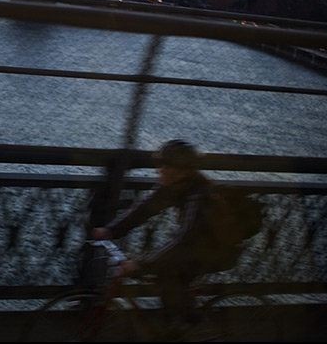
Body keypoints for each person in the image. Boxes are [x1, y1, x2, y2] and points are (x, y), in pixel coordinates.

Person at [91, 139, 242, 328]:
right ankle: (175, 323)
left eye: (166, 165)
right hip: (198, 246)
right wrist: (110, 230)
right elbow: (144, 209)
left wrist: (139, 264)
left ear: (183, 171)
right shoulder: (175, 185)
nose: (159, 169)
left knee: (168, 273)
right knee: (167, 276)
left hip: (217, 251)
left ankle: (189, 322)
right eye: (159, 164)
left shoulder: (200, 195)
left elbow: (184, 240)